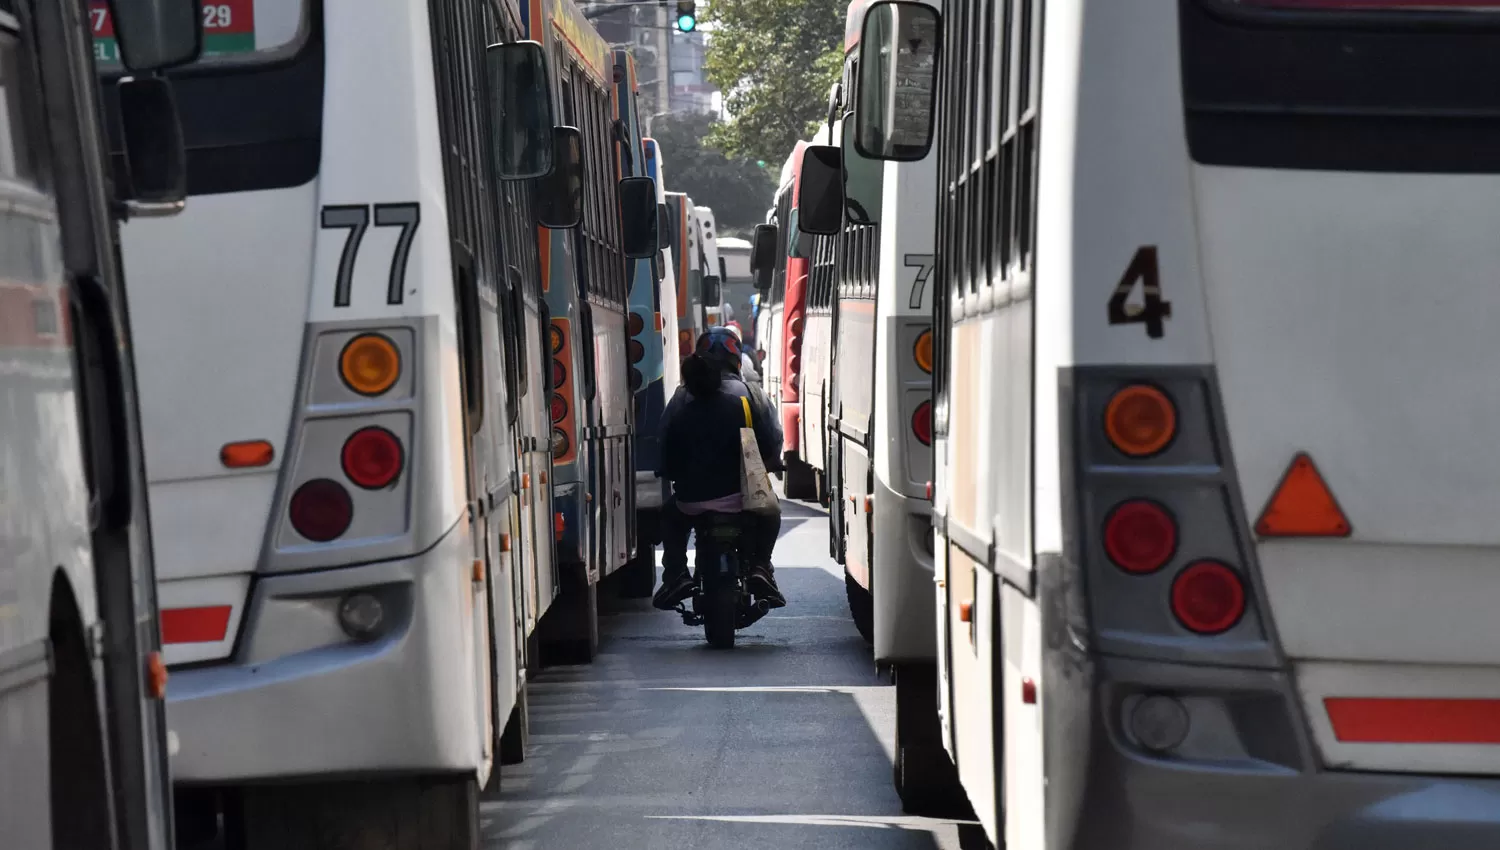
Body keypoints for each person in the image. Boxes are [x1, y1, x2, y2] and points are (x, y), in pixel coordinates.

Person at [654, 328, 786, 611]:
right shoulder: (751, 394)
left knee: (669, 516)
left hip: (689, 502)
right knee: (772, 512)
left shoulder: (681, 398)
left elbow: (664, 443)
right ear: (737, 359)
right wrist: (774, 463)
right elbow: (772, 439)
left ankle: (675, 575)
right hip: (744, 500)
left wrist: (665, 472)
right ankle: (761, 566)